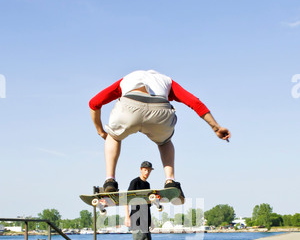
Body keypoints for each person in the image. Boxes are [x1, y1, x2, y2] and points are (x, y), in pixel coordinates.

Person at [89, 69, 231, 196]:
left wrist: (101, 131)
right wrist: (216, 127)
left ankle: (110, 181)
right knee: (165, 142)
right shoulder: (167, 81)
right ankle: (170, 180)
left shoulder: (126, 79)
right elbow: (195, 103)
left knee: (113, 137)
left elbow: (94, 103)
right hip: (160, 110)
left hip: (129, 106)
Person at [125, 161, 154, 240]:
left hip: (145, 218)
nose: (147, 172)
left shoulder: (147, 185)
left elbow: (148, 205)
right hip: (136, 218)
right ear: (141, 169)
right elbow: (126, 200)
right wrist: (127, 217)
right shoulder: (135, 182)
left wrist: (151, 221)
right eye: (145, 170)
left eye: (149, 170)